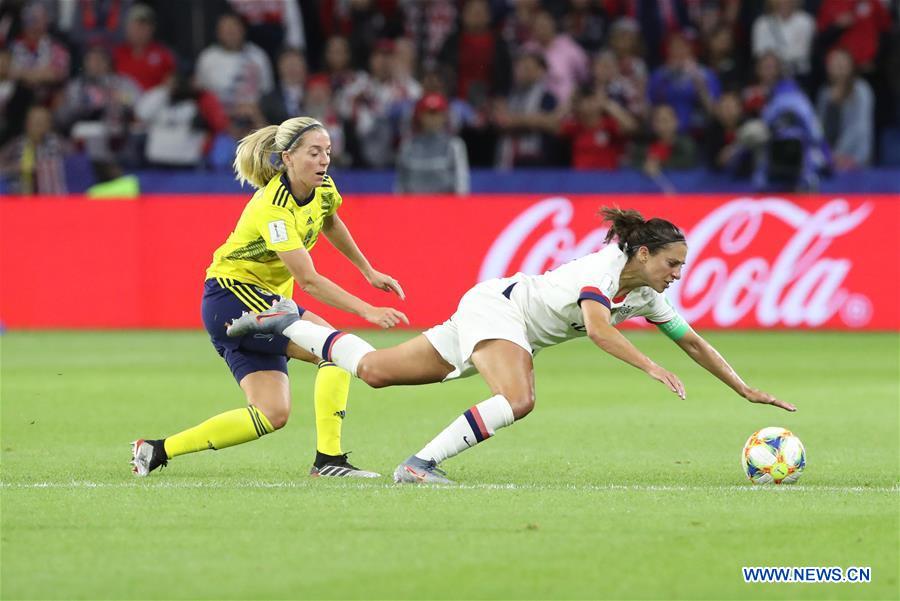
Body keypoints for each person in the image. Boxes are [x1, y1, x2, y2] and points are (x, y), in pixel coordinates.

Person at [228, 208, 796, 485]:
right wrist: (649, 366)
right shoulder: (604, 266)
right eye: (672, 263)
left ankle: (288, 323)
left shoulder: (645, 296)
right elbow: (598, 330)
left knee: (375, 371)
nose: (677, 275)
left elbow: (694, 343)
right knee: (519, 398)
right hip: (499, 311)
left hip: (495, 313)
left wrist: (744, 389)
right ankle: (419, 465)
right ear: (644, 254)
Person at [130, 117, 408, 478]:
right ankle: (329, 461)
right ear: (288, 158)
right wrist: (367, 310)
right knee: (336, 350)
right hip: (233, 297)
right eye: (314, 152)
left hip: (264, 307)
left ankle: (155, 450)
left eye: (327, 151)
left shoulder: (322, 188)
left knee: (270, 414)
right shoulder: (272, 208)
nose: (324, 160)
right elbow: (308, 280)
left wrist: (368, 271)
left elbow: (330, 221)